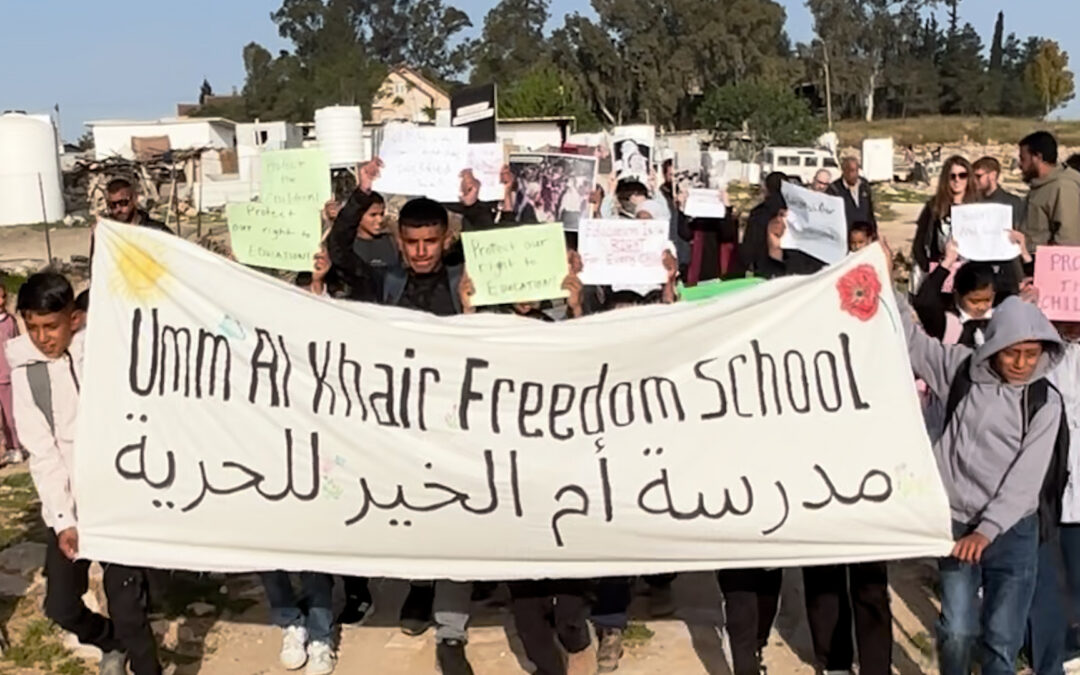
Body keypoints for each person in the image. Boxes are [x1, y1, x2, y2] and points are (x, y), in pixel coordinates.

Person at [328, 162, 472, 675]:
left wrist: (473, 204)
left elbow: (506, 255)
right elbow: (340, 251)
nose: (420, 252)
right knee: (414, 513)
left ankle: (451, 630)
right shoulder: (383, 282)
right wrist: (362, 192)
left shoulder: (465, 284)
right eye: (411, 242)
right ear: (398, 238)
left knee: (456, 516)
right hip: (400, 424)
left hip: (458, 421)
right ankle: (418, 590)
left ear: (445, 238)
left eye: (430, 242)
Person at [893, 258, 1066, 675]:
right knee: (957, 630)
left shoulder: (1044, 402)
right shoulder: (959, 370)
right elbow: (913, 343)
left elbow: (1026, 479)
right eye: (1013, 353)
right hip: (955, 523)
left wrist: (989, 530)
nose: (1023, 363)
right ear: (994, 345)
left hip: (1012, 533)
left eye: (1032, 353)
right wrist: (885, 285)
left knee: (1001, 639)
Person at [7, 273, 162, 675]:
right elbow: (42, 454)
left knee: (128, 605)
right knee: (60, 606)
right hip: (70, 504)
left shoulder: (104, 351)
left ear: (74, 319)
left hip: (117, 497)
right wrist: (64, 520)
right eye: (33, 327)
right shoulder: (28, 374)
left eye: (51, 326)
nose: (43, 337)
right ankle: (111, 643)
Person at [912, 156, 978, 275]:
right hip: (940, 271)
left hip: (970, 275)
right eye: (952, 176)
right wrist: (927, 267)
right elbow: (919, 241)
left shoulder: (978, 207)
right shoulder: (933, 206)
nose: (957, 180)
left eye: (962, 175)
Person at [1019, 131, 1080, 249]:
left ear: (1037, 157)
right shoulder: (1040, 185)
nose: (1020, 165)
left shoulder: (1063, 187)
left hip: (1046, 264)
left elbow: (1067, 239)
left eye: (1023, 159)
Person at [102, 178, 172, 234]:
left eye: (123, 203)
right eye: (112, 205)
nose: (118, 209)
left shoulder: (157, 231)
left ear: (135, 199)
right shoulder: (107, 233)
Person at [0, 283, 21, 465]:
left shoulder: (10, 321)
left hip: (6, 376)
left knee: (10, 416)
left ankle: (15, 447)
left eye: (3, 297)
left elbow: (16, 345)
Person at [973, 156, 1025, 226]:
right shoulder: (972, 201)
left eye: (978, 176)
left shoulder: (1013, 203)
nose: (974, 181)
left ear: (993, 175)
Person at [828, 157, 876, 230]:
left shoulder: (864, 184)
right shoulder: (834, 189)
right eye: (851, 171)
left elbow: (870, 211)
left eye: (856, 170)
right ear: (844, 171)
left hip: (865, 233)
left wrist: (874, 231)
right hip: (846, 233)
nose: (855, 174)